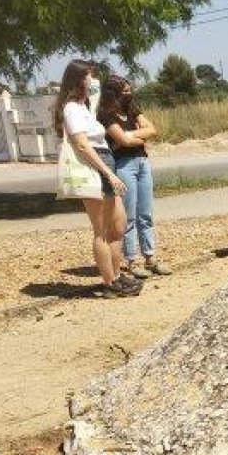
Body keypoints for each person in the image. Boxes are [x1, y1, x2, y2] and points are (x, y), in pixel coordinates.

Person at [52, 60, 141, 297]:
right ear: (78, 80)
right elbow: (82, 145)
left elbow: (98, 97)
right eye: (89, 76)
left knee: (118, 226)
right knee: (101, 229)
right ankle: (109, 281)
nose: (92, 80)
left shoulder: (85, 106)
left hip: (104, 160)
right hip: (94, 165)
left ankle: (117, 275)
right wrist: (109, 173)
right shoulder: (70, 108)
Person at [97, 75, 172, 279]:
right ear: (114, 93)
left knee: (145, 213)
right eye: (125, 91)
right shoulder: (105, 114)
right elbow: (121, 140)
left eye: (130, 90)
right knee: (128, 216)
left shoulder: (132, 109)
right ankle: (131, 260)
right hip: (124, 165)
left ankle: (150, 257)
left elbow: (152, 130)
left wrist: (130, 136)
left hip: (142, 162)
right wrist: (134, 137)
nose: (129, 94)